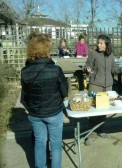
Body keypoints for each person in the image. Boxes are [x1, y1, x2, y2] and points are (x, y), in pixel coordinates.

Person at [21, 32, 68, 168]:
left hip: (35, 114)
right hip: (54, 113)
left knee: (40, 144)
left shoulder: (25, 71)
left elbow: (24, 96)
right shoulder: (55, 69)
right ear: (46, 49)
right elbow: (64, 92)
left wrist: (32, 109)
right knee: (56, 145)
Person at [84, 34, 122, 146]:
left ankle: (100, 129)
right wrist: (87, 69)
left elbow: (114, 69)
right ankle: (91, 134)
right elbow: (87, 65)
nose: (98, 44)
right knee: (94, 110)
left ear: (106, 44)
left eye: (101, 43)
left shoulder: (110, 55)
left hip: (108, 86)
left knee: (104, 110)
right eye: (98, 42)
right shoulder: (93, 53)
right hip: (95, 84)